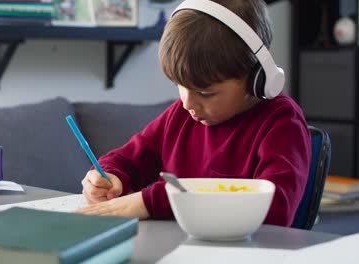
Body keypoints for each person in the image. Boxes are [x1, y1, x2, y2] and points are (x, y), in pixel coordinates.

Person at [76, 0, 311, 227]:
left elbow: (275, 210)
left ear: (256, 80)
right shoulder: (180, 115)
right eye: (180, 86)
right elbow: (128, 159)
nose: (188, 103)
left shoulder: (282, 124)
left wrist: (159, 200)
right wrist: (108, 176)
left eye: (205, 92)